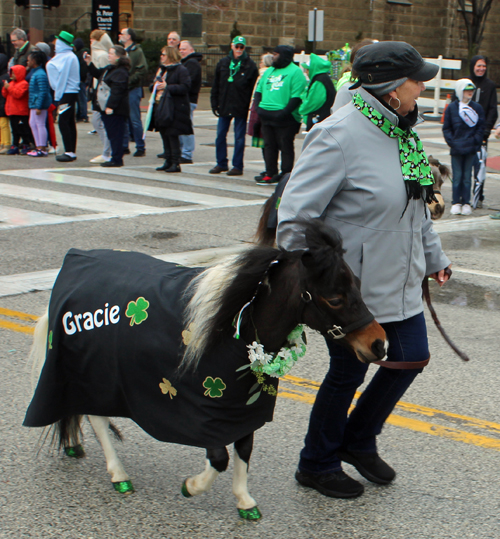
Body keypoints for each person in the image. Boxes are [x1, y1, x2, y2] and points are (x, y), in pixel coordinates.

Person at [276, 41, 451, 499]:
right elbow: (294, 220)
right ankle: (317, 463)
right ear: (393, 89)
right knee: (349, 373)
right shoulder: (337, 135)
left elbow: (417, 210)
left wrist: (435, 260)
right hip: (354, 290)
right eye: (418, 80)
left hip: (403, 276)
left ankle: (356, 439)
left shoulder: (404, 133)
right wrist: (320, 281)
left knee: (411, 356)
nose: (423, 87)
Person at [254, 45, 307, 185]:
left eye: (276, 54)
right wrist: (259, 108)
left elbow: (297, 96)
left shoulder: (295, 72)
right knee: (268, 145)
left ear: (284, 55)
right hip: (266, 114)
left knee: (285, 145)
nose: (273, 57)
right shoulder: (269, 71)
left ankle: (285, 174)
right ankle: (270, 172)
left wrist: (284, 112)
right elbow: (258, 91)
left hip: (286, 117)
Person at [209, 36, 258, 176]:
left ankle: (237, 165)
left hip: (240, 105)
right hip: (225, 104)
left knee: (239, 137)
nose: (239, 49)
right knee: (220, 135)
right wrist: (214, 102)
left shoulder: (250, 65)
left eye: (241, 47)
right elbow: (216, 84)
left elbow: (252, 87)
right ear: (232, 46)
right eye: (237, 46)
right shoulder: (223, 63)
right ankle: (221, 163)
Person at [443, 79, 485, 216]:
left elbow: (480, 128)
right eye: (467, 90)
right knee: (457, 177)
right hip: (456, 149)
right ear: (460, 91)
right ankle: (456, 202)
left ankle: (466, 202)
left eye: (471, 90)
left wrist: (475, 141)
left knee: (467, 176)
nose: (470, 93)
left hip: (470, 149)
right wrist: (453, 142)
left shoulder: (477, 108)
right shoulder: (452, 108)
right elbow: (447, 128)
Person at [85, 45, 130, 167]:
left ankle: (116, 158)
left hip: (115, 109)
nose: (108, 55)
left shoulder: (121, 72)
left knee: (116, 134)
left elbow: (117, 91)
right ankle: (114, 157)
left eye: (111, 53)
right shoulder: (110, 69)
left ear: (118, 57)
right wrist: (90, 64)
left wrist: (111, 106)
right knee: (111, 133)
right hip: (105, 107)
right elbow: (98, 74)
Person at [150, 46, 192, 173]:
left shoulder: (181, 70)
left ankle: (175, 162)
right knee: (164, 133)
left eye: (163, 54)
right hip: (161, 105)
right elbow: (153, 85)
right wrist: (155, 86)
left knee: (173, 135)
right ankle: (167, 160)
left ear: (170, 55)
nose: (161, 57)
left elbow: (185, 87)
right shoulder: (162, 70)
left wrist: (168, 87)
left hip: (174, 107)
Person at [468, 55, 498, 208]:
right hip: (466, 133)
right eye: (478, 66)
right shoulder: (466, 83)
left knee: (480, 166)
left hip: (482, 133)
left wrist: (486, 129)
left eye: (484, 66)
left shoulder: (490, 85)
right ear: (473, 66)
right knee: (466, 164)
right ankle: (465, 195)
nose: (481, 69)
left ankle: (478, 195)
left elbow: (493, 109)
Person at [46, 31, 80, 162]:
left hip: (67, 92)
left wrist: (57, 95)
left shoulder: (67, 57)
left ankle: (69, 151)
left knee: (64, 121)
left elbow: (63, 78)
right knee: (69, 121)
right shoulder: (67, 56)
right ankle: (71, 150)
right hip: (68, 92)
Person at [119, 28, 148, 157]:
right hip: (122, 89)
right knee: (123, 118)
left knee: (134, 119)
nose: (120, 35)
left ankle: (140, 146)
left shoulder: (137, 51)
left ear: (129, 36)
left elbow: (142, 69)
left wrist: (129, 81)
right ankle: (124, 145)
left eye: (122, 34)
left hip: (133, 89)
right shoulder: (121, 51)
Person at [88, 30, 114, 163]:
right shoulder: (98, 53)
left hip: (102, 94)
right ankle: (108, 150)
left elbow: (103, 76)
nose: (91, 42)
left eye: (93, 40)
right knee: (97, 122)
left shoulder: (102, 55)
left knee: (99, 122)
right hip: (97, 92)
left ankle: (108, 151)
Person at [249, 53, 274, 182]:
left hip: (259, 109)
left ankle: (270, 169)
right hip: (262, 109)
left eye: (261, 61)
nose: (259, 63)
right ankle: (269, 168)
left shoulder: (264, 75)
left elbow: (257, 93)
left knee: (266, 142)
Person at [298, 53, 336, 131]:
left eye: (308, 69)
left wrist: (301, 109)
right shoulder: (323, 79)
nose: (306, 72)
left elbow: (312, 102)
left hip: (319, 122)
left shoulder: (319, 82)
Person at [179, 40, 202, 164]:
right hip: (184, 99)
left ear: (191, 50)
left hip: (188, 99)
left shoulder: (191, 63)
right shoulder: (185, 63)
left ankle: (187, 153)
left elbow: (188, 82)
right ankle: (183, 151)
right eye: (180, 49)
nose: (182, 51)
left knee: (186, 126)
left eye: (184, 49)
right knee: (181, 126)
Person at [2, 65, 34, 154]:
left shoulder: (24, 84)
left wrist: (8, 87)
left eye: (14, 73)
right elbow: (5, 95)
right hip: (12, 111)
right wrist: (5, 88)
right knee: (15, 130)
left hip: (21, 111)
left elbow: (18, 94)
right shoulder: (11, 83)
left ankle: (26, 144)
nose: (12, 75)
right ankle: (15, 144)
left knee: (24, 129)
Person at [26, 50, 52, 157]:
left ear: (34, 61)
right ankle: (38, 146)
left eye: (29, 60)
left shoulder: (40, 74)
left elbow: (43, 91)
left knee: (40, 124)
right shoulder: (37, 73)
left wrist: (39, 105)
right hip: (34, 102)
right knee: (33, 123)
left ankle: (42, 147)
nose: (27, 62)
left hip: (38, 104)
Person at [73, 38, 90, 123]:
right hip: (83, 79)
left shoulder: (78, 55)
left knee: (80, 98)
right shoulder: (85, 54)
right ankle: (83, 114)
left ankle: (82, 114)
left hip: (79, 79)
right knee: (82, 97)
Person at [0, 53, 11, 153]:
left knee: (3, 125)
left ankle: (6, 144)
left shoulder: (5, 77)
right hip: (2, 103)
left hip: (3, 103)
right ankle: (2, 143)